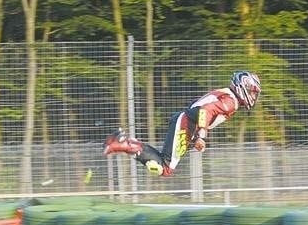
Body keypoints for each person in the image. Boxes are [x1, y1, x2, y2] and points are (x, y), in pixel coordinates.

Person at [103, 71, 261, 176]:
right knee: (164, 168)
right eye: (252, 92)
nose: (253, 96)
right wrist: (201, 136)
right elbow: (205, 111)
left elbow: (201, 109)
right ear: (243, 86)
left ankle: (124, 142)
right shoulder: (231, 101)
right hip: (186, 123)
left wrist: (195, 137)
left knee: (164, 167)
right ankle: (123, 143)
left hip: (187, 123)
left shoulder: (227, 96)